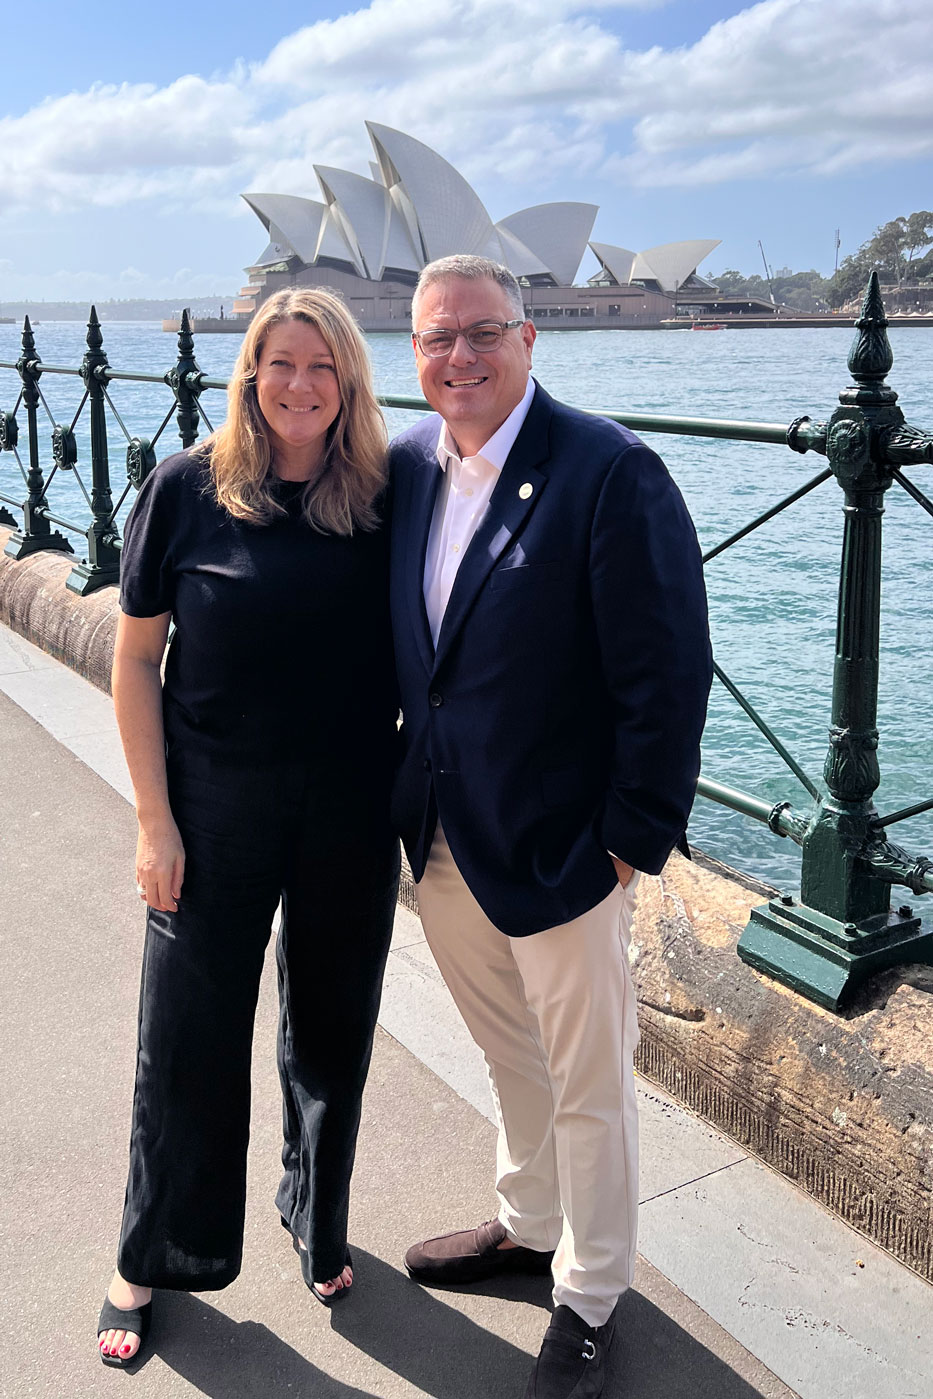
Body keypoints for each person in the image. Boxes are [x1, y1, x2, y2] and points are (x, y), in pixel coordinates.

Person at [388, 256, 711, 1399]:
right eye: (438, 338)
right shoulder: (409, 465)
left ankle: (591, 1292)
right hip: (442, 834)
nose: (461, 356)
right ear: (414, 353)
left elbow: (667, 672)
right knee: (507, 1052)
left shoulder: (609, 470)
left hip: (566, 845)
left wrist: (627, 841)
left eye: (484, 332)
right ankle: (528, 1223)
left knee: (589, 1080)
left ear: (529, 339)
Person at [97, 287, 400, 1367]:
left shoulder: (384, 495)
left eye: (322, 365)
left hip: (349, 805)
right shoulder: (186, 486)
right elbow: (137, 657)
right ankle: (150, 1255)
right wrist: (154, 822)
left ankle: (314, 1211)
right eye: (281, 362)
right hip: (212, 801)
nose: (300, 384)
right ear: (249, 374)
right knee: (187, 1036)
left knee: (332, 1027)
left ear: (349, 379)